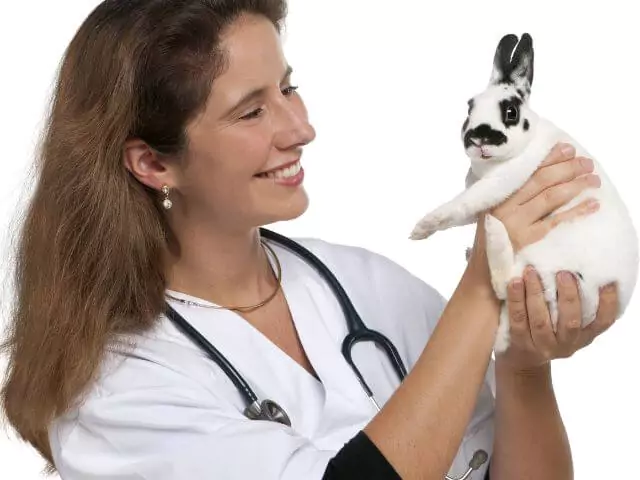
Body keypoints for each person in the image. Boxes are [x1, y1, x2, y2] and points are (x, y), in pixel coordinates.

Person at [0, 0, 619, 479]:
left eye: (288, 89)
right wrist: (484, 287)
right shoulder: (119, 390)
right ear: (153, 164)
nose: (302, 128)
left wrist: (523, 367)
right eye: (252, 111)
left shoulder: (370, 288)